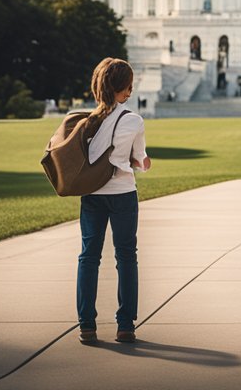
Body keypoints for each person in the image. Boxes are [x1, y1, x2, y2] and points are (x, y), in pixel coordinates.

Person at [77, 57, 150, 344]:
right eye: (128, 86)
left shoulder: (85, 121)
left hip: (92, 194)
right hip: (122, 193)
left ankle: (86, 325)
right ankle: (125, 325)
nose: (130, 91)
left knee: (88, 258)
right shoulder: (133, 119)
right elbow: (140, 160)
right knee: (126, 257)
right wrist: (142, 162)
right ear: (124, 88)